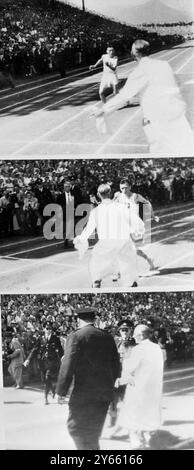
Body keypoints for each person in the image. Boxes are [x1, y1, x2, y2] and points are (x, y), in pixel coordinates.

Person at [95, 39, 194, 155]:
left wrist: (103, 110)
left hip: (157, 121)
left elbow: (124, 96)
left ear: (134, 53)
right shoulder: (164, 65)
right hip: (179, 117)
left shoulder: (139, 71)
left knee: (160, 154)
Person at [56, 307, 120, 450]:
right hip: (103, 393)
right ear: (94, 319)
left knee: (76, 429)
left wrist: (61, 391)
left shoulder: (76, 336)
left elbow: (68, 365)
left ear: (78, 320)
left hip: (84, 393)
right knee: (92, 433)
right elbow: (116, 364)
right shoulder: (107, 336)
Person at [73, 183, 145, 288]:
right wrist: (137, 230)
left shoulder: (95, 211)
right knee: (129, 275)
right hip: (122, 244)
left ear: (98, 194)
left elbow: (88, 230)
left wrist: (80, 239)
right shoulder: (120, 207)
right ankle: (131, 286)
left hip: (105, 246)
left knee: (96, 275)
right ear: (110, 192)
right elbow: (134, 221)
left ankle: (96, 286)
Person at [109, 324, 164, 449]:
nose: (133, 337)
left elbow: (129, 369)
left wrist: (119, 380)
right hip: (154, 388)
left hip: (138, 388)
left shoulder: (138, 350)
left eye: (135, 335)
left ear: (140, 335)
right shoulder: (157, 348)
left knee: (131, 418)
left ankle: (137, 443)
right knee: (148, 416)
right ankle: (148, 438)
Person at [113, 177, 159, 273]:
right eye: (122, 188)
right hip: (123, 225)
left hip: (133, 225)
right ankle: (149, 259)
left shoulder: (135, 196)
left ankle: (120, 270)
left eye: (126, 188)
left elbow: (148, 204)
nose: (124, 190)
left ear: (130, 187)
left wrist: (153, 216)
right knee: (129, 248)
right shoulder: (118, 196)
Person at [24, 322, 64, 404]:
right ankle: (53, 390)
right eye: (47, 328)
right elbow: (34, 350)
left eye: (50, 328)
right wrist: (28, 359)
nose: (48, 330)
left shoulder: (55, 338)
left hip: (52, 362)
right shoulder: (40, 339)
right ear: (44, 329)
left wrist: (63, 358)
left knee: (47, 377)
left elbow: (60, 350)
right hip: (42, 362)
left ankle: (45, 398)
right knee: (44, 380)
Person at [109, 319, 135, 427]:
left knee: (128, 398)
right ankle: (113, 420)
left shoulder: (134, 342)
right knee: (113, 399)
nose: (124, 331)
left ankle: (131, 421)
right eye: (122, 329)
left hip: (128, 374)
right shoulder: (115, 341)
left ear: (130, 330)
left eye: (126, 329)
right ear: (119, 330)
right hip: (116, 373)